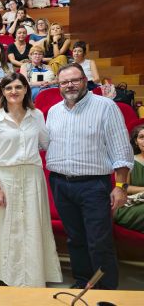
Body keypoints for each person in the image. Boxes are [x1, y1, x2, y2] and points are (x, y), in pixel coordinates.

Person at [46, 63, 132, 290]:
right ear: (58, 85)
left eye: (74, 80)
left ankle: (105, 291)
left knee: (99, 242)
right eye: (64, 82)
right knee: (75, 239)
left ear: (85, 80)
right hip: (60, 183)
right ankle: (83, 282)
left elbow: (121, 149)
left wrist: (121, 186)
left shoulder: (106, 107)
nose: (69, 85)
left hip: (93, 186)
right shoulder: (54, 111)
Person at [0, 73, 62, 287]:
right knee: (4, 228)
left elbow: (45, 143)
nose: (13, 92)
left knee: (31, 226)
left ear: (26, 89)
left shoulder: (37, 115)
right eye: (8, 88)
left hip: (32, 177)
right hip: (4, 178)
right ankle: (1, 273)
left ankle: (32, 276)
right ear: (2, 93)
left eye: (18, 87)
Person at [114, 125, 144, 232]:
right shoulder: (129, 161)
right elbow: (123, 187)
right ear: (136, 142)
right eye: (141, 137)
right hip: (129, 206)